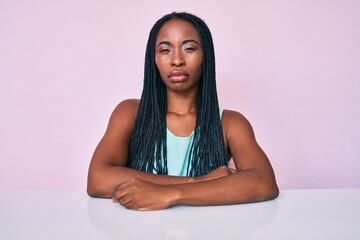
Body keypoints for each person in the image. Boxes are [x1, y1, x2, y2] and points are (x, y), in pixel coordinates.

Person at [87, 12, 279, 210]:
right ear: (153, 59)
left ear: (206, 56)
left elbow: (264, 182)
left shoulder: (230, 123)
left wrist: (169, 194)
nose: (177, 60)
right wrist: (198, 182)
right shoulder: (130, 113)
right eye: (165, 50)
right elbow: (98, 179)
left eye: (189, 48)